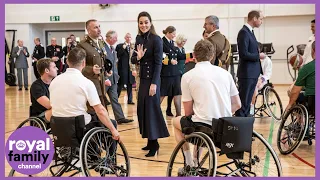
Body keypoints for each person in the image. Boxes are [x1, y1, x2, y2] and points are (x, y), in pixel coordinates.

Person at [172, 39, 241, 167]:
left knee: (176, 121)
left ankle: (189, 162)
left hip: (203, 128)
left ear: (194, 55)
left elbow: (188, 113)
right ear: (212, 55)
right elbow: (237, 105)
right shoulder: (226, 74)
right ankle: (195, 160)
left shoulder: (187, 76)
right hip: (224, 127)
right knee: (201, 119)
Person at [49, 47, 120, 140]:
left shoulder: (54, 81)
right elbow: (100, 111)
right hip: (78, 127)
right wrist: (113, 130)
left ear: (67, 61)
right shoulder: (86, 82)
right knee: (112, 123)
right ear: (83, 63)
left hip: (57, 124)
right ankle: (110, 154)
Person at [131, 11, 170, 157]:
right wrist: (138, 57)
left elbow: (159, 63)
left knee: (152, 110)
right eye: (141, 22)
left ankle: (155, 144)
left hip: (153, 80)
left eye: (146, 22)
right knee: (143, 110)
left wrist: (154, 83)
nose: (143, 25)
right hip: (143, 80)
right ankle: (150, 141)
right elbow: (134, 60)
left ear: (150, 23)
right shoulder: (138, 38)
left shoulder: (156, 39)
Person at [235, 10, 265, 117]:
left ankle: (245, 126)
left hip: (252, 73)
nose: (262, 21)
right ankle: (240, 126)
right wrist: (258, 56)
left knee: (247, 103)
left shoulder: (250, 32)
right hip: (246, 74)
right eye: (261, 19)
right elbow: (243, 54)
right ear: (254, 18)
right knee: (243, 103)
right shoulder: (243, 32)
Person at [77, 19, 110, 111]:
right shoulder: (82, 45)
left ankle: (103, 125)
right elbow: (77, 66)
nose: (99, 29)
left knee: (103, 107)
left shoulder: (100, 43)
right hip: (91, 82)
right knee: (95, 110)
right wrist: (91, 69)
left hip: (101, 82)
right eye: (96, 27)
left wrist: (107, 70)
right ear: (88, 30)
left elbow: (102, 59)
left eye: (99, 26)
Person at [104, 30, 134, 124]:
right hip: (105, 79)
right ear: (109, 38)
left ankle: (120, 118)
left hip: (113, 79)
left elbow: (114, 63)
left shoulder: (112, 48)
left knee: (115, 99)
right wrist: (105, 78)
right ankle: (103, 119)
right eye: (115, 38)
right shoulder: (103, 48)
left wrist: (116, 76)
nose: (117, 39)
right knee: (101, 100)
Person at [286, 41, 315, 115]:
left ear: (312, 50)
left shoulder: (307, 68)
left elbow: (295, 91)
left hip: (312, 101)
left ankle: (299, 119)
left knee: (293, 92)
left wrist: (289, 105)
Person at [160, 26, 182, 117]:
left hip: (175, 73)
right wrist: (169, 61)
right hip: (166, 73)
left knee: (177, 93)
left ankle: (179, 115)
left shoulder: (173, 43)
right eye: (173, 34)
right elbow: (160, 57)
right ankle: (153, 112)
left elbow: (180, 56)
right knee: (162, 94)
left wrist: (193, 55)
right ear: (168, 33)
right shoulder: (161, 42)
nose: (174, 36)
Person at [250, 42, 273, 115]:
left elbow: (268, 74)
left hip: (262, 80)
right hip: (252, 78)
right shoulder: (251, 58)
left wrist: (261, 79)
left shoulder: (267, 60)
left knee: (254, 87)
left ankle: (251, 107)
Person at [116, 33, 136, 105]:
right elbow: (117, 55)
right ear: (125, 38)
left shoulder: (133, 46)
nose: (128, 38)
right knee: (120, 84)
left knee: (130, 84)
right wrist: (123, 48)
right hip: (122, 68)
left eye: (130, 37)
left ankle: (130, 100)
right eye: (127, 37)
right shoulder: (120, 46)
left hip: (130, 68)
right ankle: (116, 99)